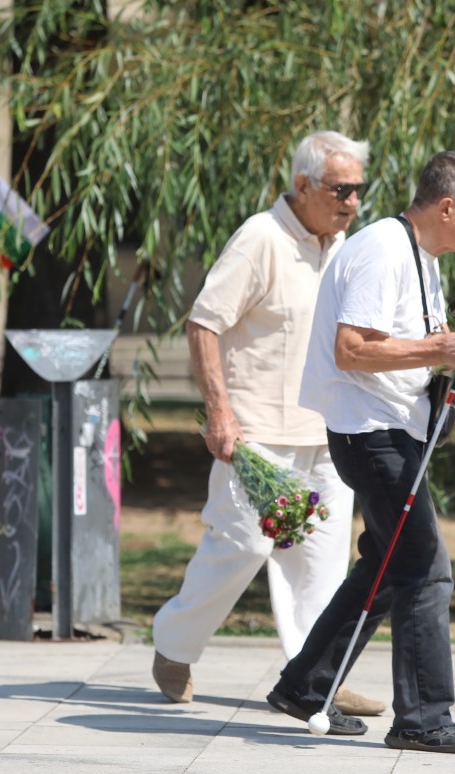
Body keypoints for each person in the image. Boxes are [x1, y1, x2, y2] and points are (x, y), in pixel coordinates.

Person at [266, 151, 455, 754]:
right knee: (425, 567)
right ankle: (423, 719)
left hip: (389, 431)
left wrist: (449, 358)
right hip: (370, 435)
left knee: (389, 567)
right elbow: (353, 349)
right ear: (447, 207)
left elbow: (407, 348)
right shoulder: (381, 249)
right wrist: (438, 350)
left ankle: (306, 687)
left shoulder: (419, 256)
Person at [150, 131, 384, 718]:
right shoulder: (261, 237)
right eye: (340, 189)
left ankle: (316, 678)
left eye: (359, 189)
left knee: (323, 564)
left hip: (328, 432)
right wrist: (220, 412)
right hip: (257, 435)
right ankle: (173, 646)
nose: (352, 201)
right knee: (240, 545)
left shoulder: (343, 245)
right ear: (302, 185)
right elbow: (204, 323)